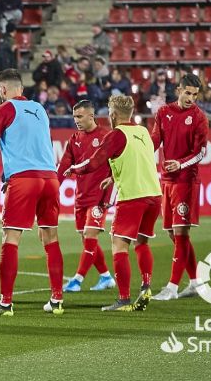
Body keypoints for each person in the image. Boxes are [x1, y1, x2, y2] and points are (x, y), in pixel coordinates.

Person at [0, 69, 65, 316]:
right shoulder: (40, 109)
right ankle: (57, 300)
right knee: (51, 237)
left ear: (2, 90)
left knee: (10, 238)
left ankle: (6, 303)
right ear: (22, 89)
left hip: (24, 180)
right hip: (50, 178)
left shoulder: (3, 110)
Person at [65, 95, 160, 312]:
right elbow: (136, 158)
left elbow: (95, 161)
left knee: (119, 245)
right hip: (154, 195)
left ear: (113, 114)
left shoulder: (116, 134)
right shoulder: (144, 131)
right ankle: (146, 285)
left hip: (133, 196)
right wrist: (115, 177)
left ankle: (124, 299)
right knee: (142, 243)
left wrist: (75, 169)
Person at [148, 74, 209, 302]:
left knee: (181, 232)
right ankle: (195, 282)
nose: (191, 98)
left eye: (195, 94)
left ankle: (172, 287)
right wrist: (143, 154)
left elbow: (201, 151)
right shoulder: (164, 113)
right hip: (167, 179)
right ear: (178, 90)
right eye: (188, 93)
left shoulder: (199, 117)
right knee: (173, 233)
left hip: (186, 180)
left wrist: (181, 163)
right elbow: (155, 140)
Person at [57, 100, 116, 293]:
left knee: (90, 236)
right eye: (74, 117)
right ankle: (106, 277)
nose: (76, 120)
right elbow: (64, 166)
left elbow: (118, 164)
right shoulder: (74, 139)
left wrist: (112, 188)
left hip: (99, 197)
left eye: (80, 116)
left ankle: (77, 280)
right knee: (86, 238)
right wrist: (53, 188)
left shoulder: (107, 136)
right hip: (80, 197)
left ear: (92, 116)